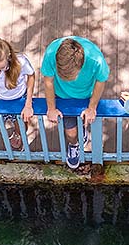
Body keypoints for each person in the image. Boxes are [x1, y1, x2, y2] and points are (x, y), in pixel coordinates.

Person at [41, 36, 109, 170]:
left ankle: (82, 130)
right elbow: (48, 81)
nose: (67, 79)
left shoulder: (96, 60)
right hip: (62, 97)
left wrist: (92, 107)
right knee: (70, 133)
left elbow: (101, 81)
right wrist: (51, 108)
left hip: (86, 95)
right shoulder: (50, 53)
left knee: (85, 120)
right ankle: (73, 145)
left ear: (81, 65)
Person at [0, 37, 35, 151]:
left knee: (21, 123)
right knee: (3, 118)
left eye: (2, 68)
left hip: (19, 95)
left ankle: (18, 133)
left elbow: (31, 76)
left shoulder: (21, 62)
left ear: (9, 58)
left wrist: (28, 104)